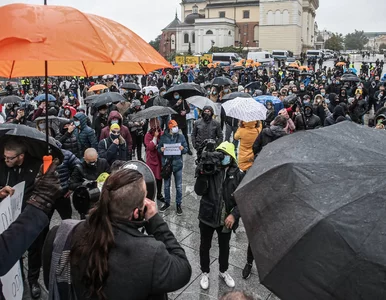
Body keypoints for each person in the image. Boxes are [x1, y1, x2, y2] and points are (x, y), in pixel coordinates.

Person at [42, 168, 192, 300]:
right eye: (145, 197)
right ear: (136, 213)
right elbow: (183, 269)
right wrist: (155, 221)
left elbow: (51, 282)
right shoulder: (151, 253)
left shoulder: (60, 234)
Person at [0, 159, 61, 300]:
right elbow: (4, 252)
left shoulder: (33, 164)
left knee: (35, 252)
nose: (6, 159)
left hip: (24, 222)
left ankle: (32, 280)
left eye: (10, 157)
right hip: (21, 225)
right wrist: (43, 198)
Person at [194, 141, 244, 290]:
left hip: (225, 219)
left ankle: (223, 270)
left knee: (225, 247)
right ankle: (205, 272)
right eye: (219, 155)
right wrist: (202, 171)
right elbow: (198, 191)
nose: (222, 158)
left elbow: (243, 199)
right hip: (207, 216)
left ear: (231, 157)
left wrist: (234, 215)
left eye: (225, 155)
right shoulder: (211, 169)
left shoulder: (238, 174)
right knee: (205, 245)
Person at [158, 120, 188, 215]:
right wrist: (161, 149)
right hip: (167, 165)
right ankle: (167, 202)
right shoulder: (163, 137)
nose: (176, 128)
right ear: (170, 128)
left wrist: (183, 149)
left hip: (178, 164)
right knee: (166, 186)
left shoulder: (181, 136)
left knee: (178, 186)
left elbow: (186, 148)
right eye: (174, 126)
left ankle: (178, 204)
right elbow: (159, 148)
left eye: (177, 126)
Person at [55, 142, 81, 219]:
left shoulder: (66, 154)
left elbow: (79, 167)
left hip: (62, 193)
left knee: (67, 218)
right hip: (45, 195)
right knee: (43, 222)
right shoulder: (39, 155)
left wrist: (71, 184)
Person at [144, 118, 164, 202]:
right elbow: (150, 147)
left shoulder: (162, 133)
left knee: (160, 177)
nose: (156, 126)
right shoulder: (148, 135)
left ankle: (159, 194)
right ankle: (151, 194)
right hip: (152, 159)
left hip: (160, 158)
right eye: (154, 125)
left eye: (157, 124)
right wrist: (155, 137)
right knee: (152, 177)